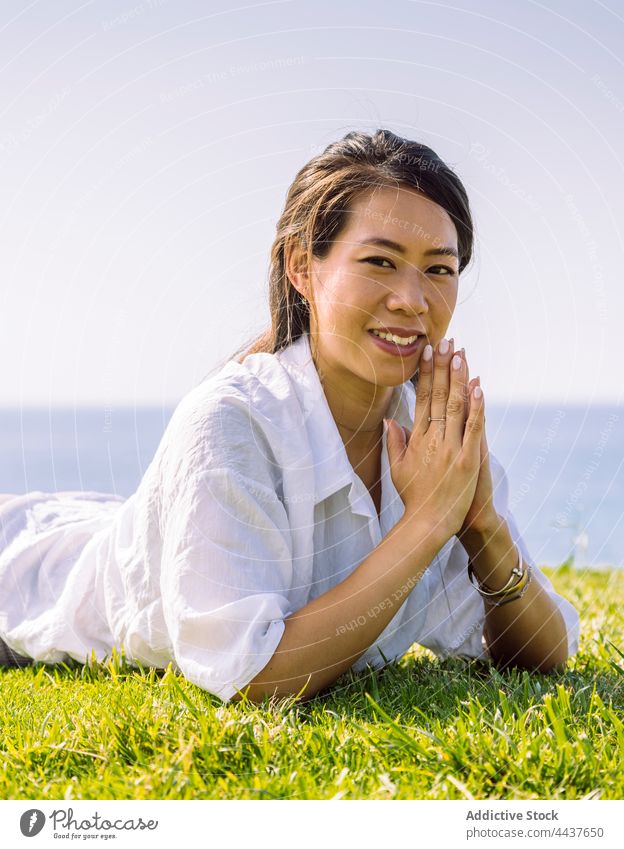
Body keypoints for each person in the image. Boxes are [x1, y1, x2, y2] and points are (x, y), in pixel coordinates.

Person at [0, 129, 580, 703]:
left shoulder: (430, 432)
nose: (412, 299)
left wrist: (482, 527)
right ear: (303, 267)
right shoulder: (229, 421)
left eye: (439, 269)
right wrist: (427, 523)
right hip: (22, 589)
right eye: (380, 261)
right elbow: (253, 676)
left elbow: (546, 655)